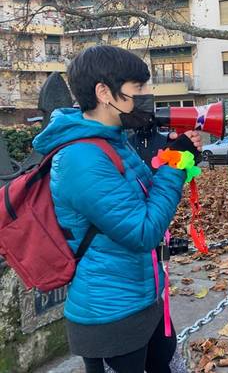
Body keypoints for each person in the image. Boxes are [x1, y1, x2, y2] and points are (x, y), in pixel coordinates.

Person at [31, 46, 203, 373]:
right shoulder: (81, 159)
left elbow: (143, 199)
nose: (145, 96)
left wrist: (174, 156)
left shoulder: (112, 141)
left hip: (142, 298)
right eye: (137, 88)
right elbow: (143, 230)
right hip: (110, 316)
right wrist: (175, 166)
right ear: (103, 92)